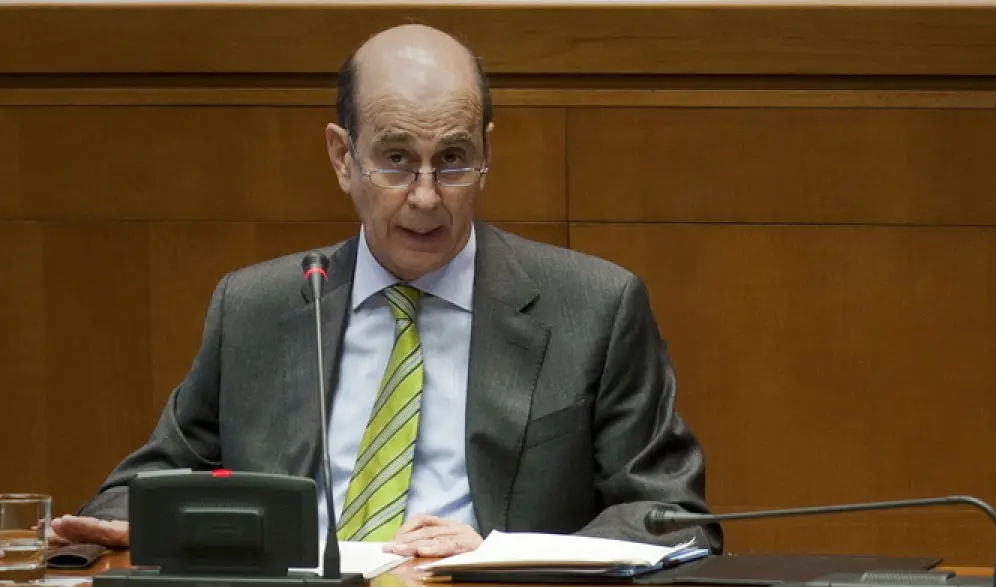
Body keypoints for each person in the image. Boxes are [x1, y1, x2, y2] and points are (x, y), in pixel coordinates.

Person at [50, 24, 721, 557]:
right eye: (396, 160)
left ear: (487, 154)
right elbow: (136, 491)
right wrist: (154, 521)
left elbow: (672, 516)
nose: (426, 197)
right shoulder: (257, 309)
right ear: (344, 158)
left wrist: (505, 554)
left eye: (452, 160)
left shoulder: (594, 308)